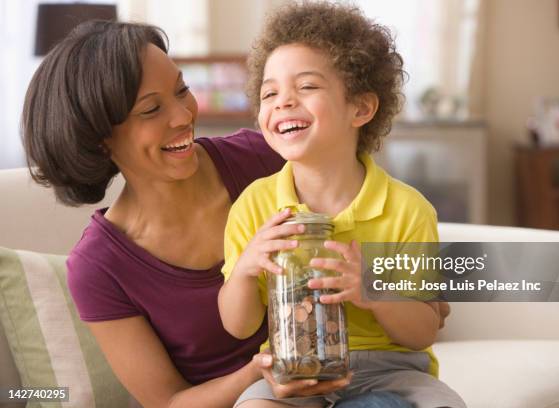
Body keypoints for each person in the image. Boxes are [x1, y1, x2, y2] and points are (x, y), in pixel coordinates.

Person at [21, 20, 420, 408]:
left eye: (182, 91)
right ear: (99, 138)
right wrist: (261, 373)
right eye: (151, 110)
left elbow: (381, 211)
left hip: (365, 376)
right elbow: (170, 402)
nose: (183, 117)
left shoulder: (264, 158)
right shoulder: (98, 267)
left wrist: (425, 286)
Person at [218, 2, 466, 408]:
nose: (282, 101)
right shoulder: (255, 205)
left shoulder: (406, 209)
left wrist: (371, 290)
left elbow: (423, 331)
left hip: (392, 369)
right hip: (293, 370)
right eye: (269, 92)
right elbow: (237, 325)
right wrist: (246, 268)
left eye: (307, 86)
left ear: (361, 108)